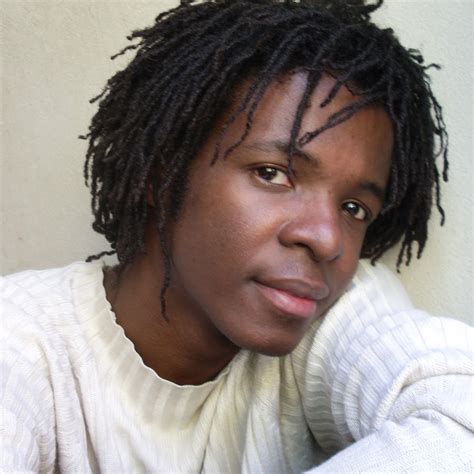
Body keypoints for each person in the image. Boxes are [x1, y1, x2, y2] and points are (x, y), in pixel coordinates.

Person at [1, 0, 472, 472]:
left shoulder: (330, 316)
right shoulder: (24, 343)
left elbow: (461, 419)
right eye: (272, 173)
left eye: (354, 208)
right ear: (163, 173)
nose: (328, 239)